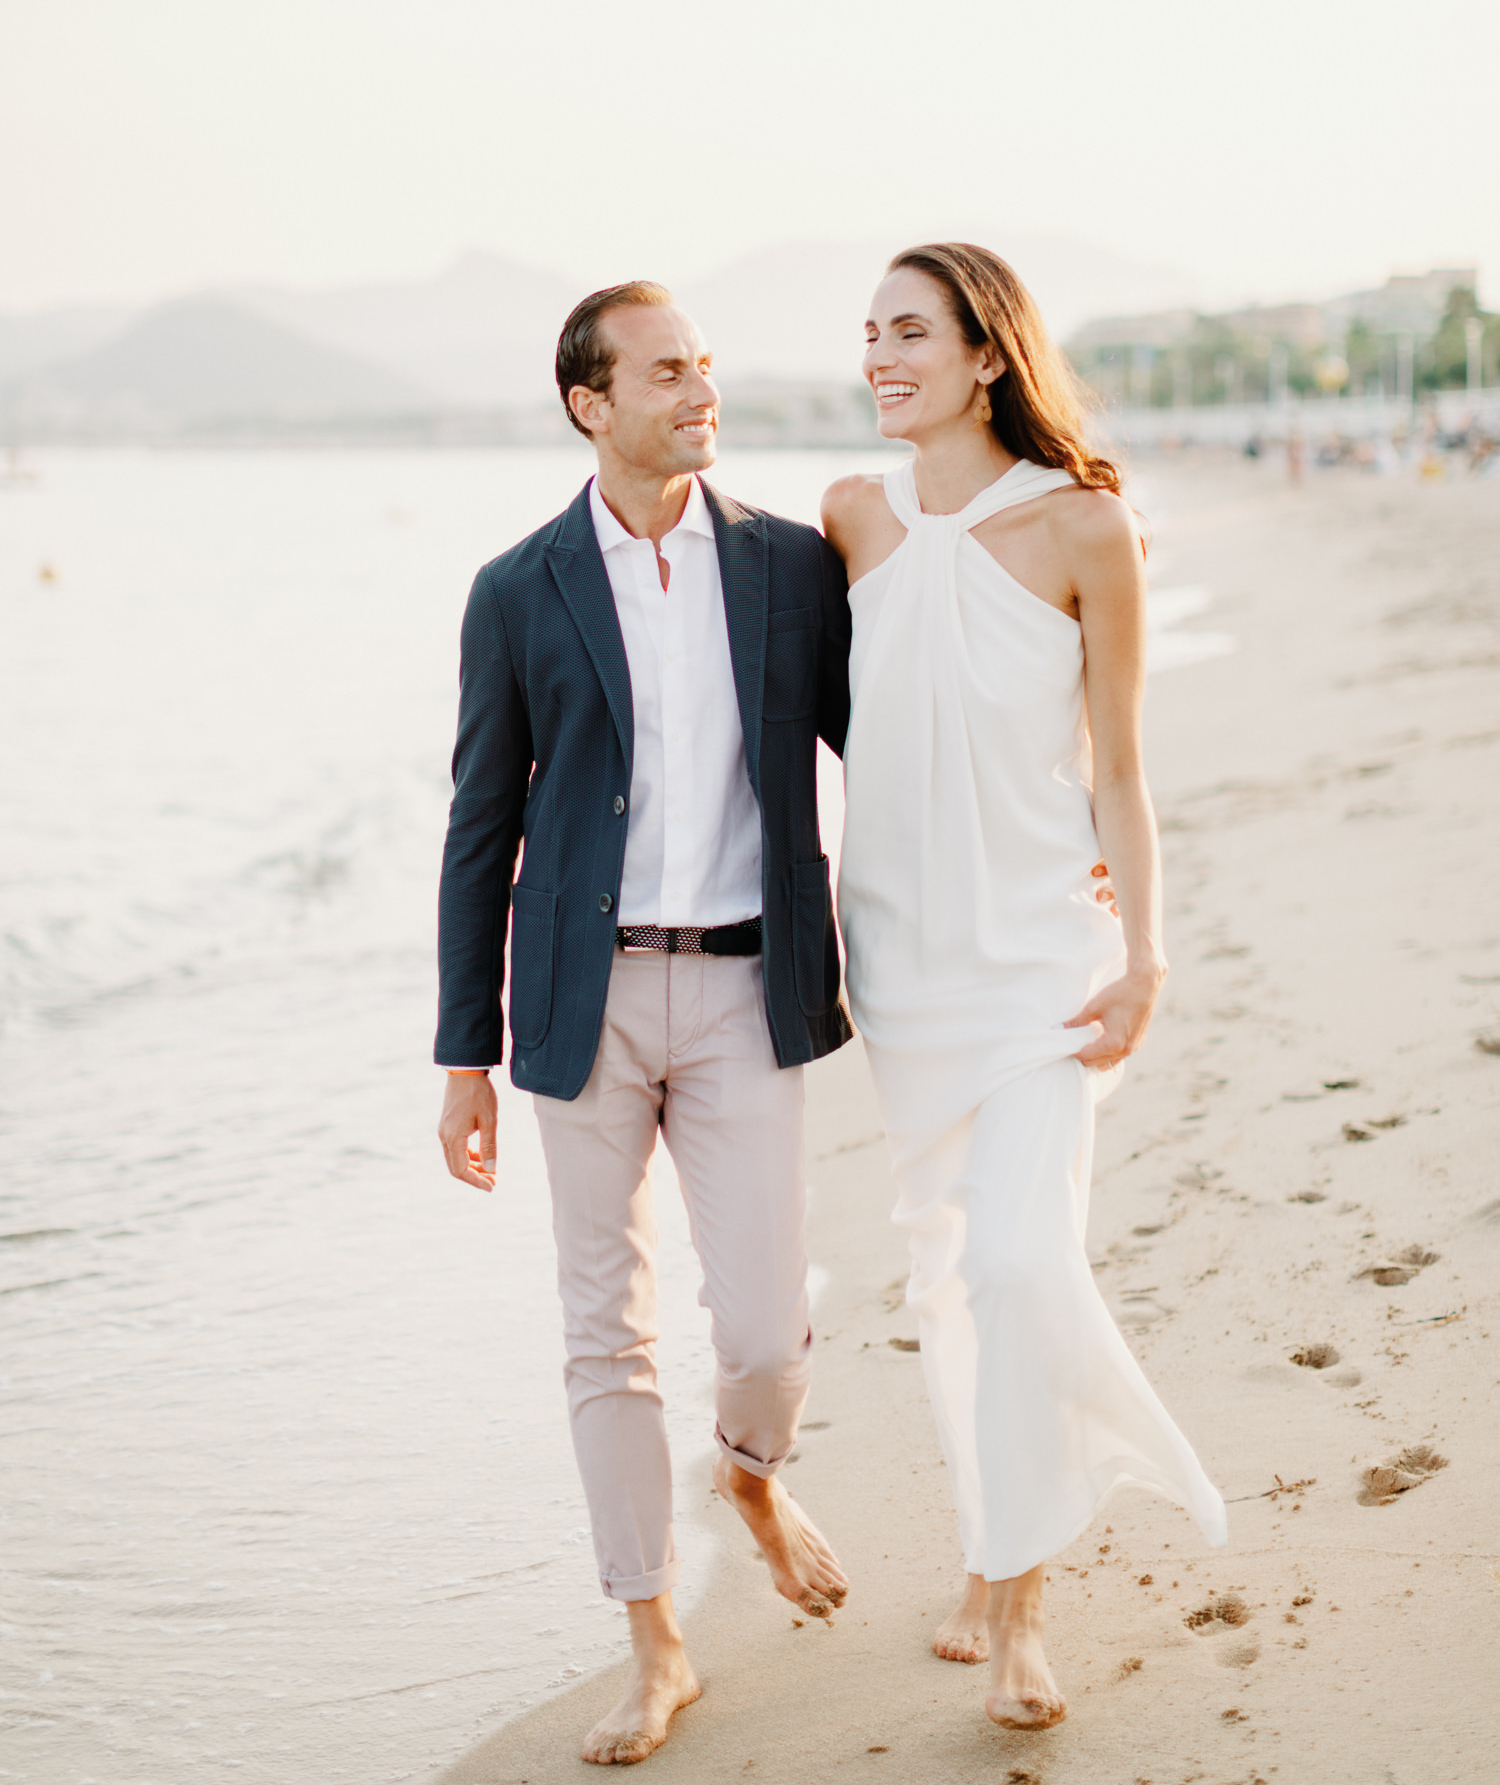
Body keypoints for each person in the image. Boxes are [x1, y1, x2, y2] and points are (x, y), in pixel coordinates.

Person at [433, 281, 852, 1766]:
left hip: (750, 987)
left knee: (760, 1330)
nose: (700, 388)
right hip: (579, 998)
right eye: (667, 370)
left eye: (706, 366)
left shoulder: (794, 568)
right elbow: (482, 822)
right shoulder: (517, 585)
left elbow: (895, 747)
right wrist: (462, 1052)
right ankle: (655, 1640)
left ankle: (750, 1468)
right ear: (589, 404)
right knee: (603, 1331)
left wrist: (1052, 837)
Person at [822, 243, 1226, 1734]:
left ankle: (1021, 1607)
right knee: (948, 1273)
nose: (880, 356)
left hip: (1049, 968)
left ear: (989, 354)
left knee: (1019, 1261)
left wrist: (1147, 955)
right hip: (908, 976)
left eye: (910, 332)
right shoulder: (850, 518)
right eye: (869, 334)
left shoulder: (1082, 528)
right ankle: (997, 1550)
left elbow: (1120, 767)